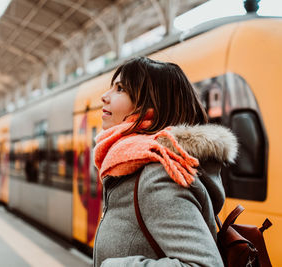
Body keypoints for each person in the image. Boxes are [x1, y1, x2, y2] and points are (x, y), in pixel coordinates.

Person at [93, 57, 238, 266]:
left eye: (120, 89)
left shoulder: (156, 176)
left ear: (150, 105)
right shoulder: (138, 165)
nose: (104, 97)